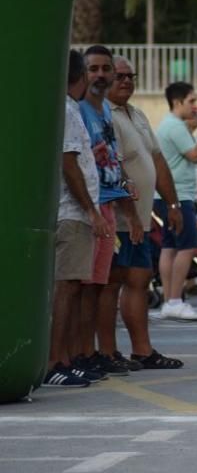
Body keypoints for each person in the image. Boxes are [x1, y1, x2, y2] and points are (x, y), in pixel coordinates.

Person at [105, 56, 185, 369]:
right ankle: (108, 352)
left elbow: (158, 161)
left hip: (140, 217)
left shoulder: (136, 114)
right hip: (119, 218)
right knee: (111, 284)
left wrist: (173, 204)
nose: (126, 81)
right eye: (119, 76)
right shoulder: (103, 115)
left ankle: (142, 350)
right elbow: (113, 168)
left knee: (140, 278)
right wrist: (131, 212)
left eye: (130, 76)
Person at [77, 46, 144, 377]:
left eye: (107, 69)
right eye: (95, 69)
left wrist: (129, 212)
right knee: (79, 288)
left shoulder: (103, 110)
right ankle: (73, 355)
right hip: (84, 210)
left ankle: (88, 355)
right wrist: (90, 209)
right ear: (82, 73)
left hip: (107, 208)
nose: (101, 75)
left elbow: (111, 164)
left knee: (96, 287)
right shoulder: (76, 111)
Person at [45, 51, 108, 388]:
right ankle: (54, 360)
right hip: (72, 214)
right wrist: (91, 210)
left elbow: (75, 158)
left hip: (75, 213)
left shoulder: (70, 110)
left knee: (71, 287)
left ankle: (65, 359)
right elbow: (67, 163)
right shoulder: (68, 110)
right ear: (81, 75)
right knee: (66, 288)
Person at [155, 81, 197, 320]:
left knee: (170, 247)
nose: (195, 106)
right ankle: (174, 299)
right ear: (177, 102)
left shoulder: (169, 125)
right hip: (178, 196)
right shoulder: (176, 126)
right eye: (191, 101)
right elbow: (195, 155)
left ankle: (170, 300)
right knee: (187, 246)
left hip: (170, 195)